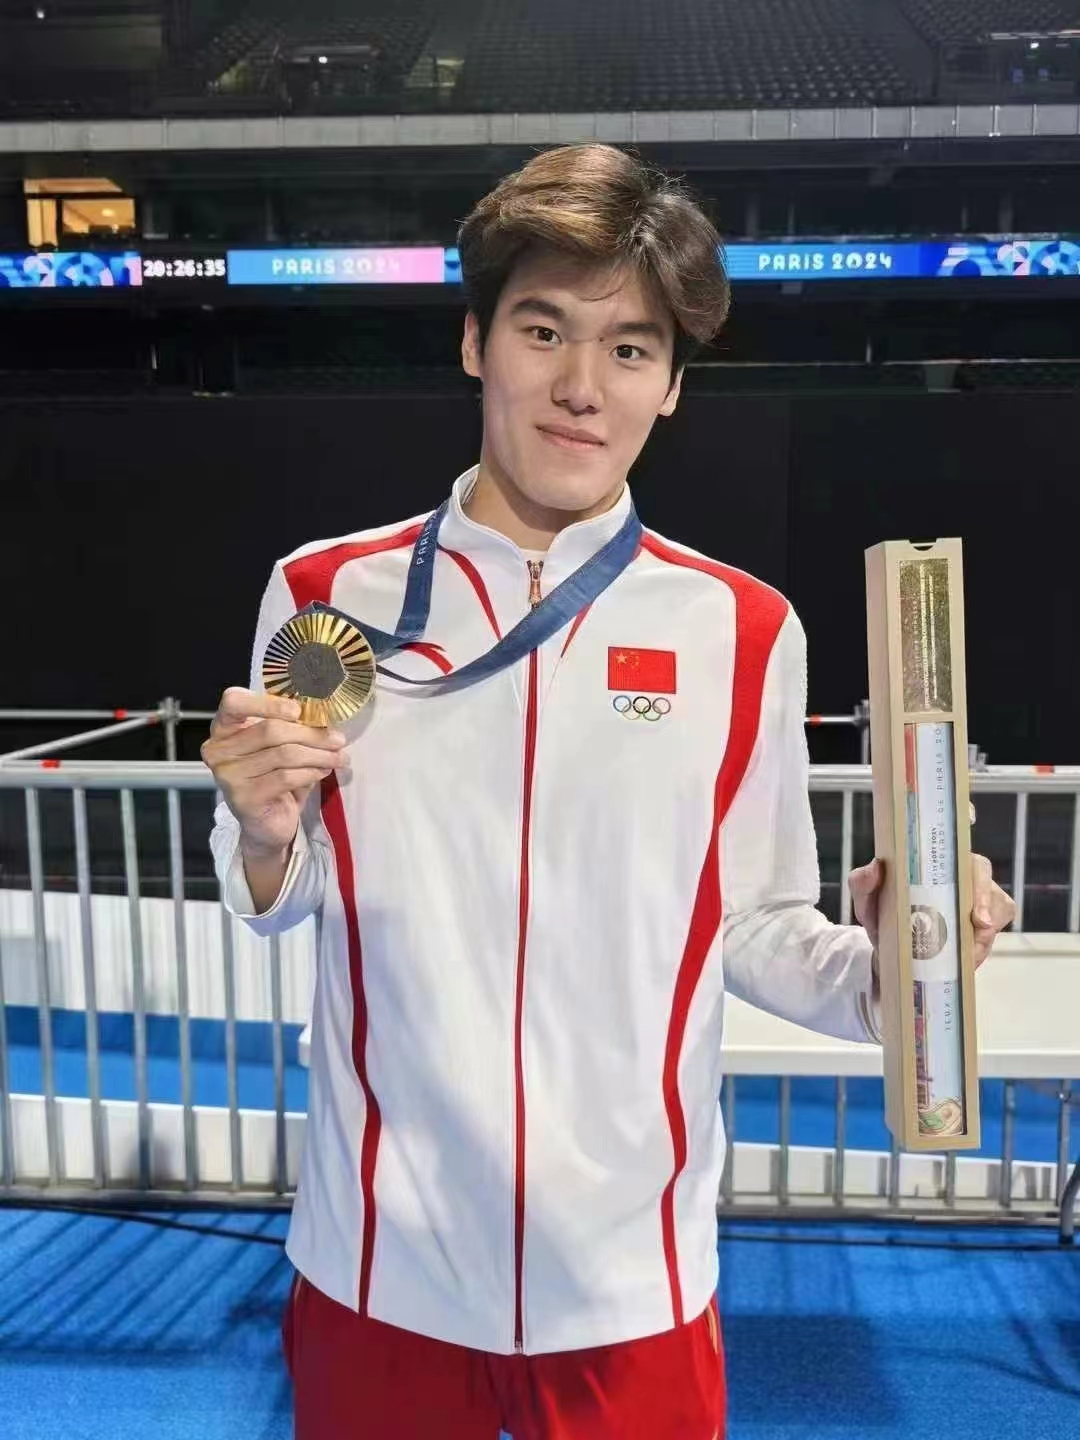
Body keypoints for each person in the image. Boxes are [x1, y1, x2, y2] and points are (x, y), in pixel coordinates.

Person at [202, 143, 1015, 1440]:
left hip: (633, 1278)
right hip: (378, 1259)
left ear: (672, 385)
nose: (582, 387)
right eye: (544, 331)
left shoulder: (742, 629)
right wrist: (258, 832)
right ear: (475, 342)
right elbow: (284, 887)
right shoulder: (326, 595)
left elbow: (752, 922)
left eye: (631, 349)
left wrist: (900, 966)